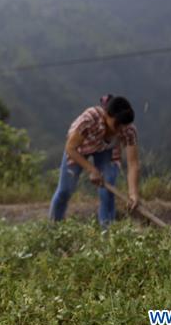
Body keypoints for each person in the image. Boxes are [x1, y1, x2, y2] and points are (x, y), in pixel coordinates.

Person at [49, 94, 140, 227]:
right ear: (107, 115)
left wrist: (133, 193)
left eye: (124, 126)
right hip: (79, 149)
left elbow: (133, 164)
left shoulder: (128, 129)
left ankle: (107, 234)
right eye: (117, 125)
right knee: (64, 190)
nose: (121, 129)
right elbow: (70, 148)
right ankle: (53, 228)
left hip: (106, 150)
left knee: (107, 190)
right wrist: (91, 169)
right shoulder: (89, 120)